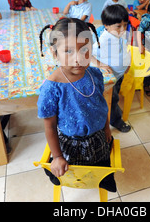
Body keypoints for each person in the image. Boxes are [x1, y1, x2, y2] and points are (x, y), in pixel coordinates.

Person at [37, 18, 117, 192]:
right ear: (54, 53)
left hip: (97, 137)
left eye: (85, 50)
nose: (78, 58)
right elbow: (49, 126)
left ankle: (103, 179)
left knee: (104, 171)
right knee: (65, 172)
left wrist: (106, 129)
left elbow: (101, 106)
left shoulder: (95, 75)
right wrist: (57, 156)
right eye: (68, 51)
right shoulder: (52, 88)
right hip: (70, 143)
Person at [93, 4, 131, 133]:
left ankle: (112, 112)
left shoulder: (120, 34)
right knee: (113, 99)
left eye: (125, 25)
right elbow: (87, 53)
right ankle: (116, 120)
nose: (123, 29)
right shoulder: (104, 39)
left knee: (115, 96)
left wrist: (127, 63)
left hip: (119, 75)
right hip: (110, 78)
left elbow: (124, 50)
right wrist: (99, 64)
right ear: (107, 26)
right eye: (118, 26)